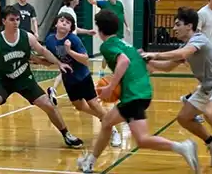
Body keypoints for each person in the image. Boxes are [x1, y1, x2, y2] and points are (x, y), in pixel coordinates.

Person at [77, 9, 199, 173]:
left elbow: (124, 61)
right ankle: (90, 162)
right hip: (143, 92)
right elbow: (154, 67)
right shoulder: (127, 45)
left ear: (99, 30)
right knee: (107, 123)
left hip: (133, 96)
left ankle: (183, 147)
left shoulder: (107, 46)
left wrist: (110, 88)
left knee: (141, 139)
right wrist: (177, 60)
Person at [0, 5, 83, 153]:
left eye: (18, 19)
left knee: (49, 105)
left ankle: (66, 134)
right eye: (12, 20)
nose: (16, 22)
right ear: (4, 21)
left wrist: (59, 62)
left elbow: (43, 51)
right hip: (4, 80)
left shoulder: (27, 37)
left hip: (25, 79)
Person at [142, 7, 212, 172]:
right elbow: (167, 67)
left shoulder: (199, 39)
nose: (174, 28)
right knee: (184, 118)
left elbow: (183, 52)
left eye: (177, 24)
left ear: (189, 26)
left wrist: (155, 54)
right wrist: (146, 62)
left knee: (210, 113)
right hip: (206, 87)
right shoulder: (187, 45)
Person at [44, 12, 121, 147]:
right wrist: (33, 59)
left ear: (71, 28)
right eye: (61, 20)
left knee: (93, 104)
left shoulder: (73, 40)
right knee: (79, 106)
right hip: (69, 80)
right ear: (56, 23)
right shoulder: (50, 40)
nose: (64, 23)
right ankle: (104, 118)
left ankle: (113, 129)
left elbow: (85, 59)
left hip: (82, 77)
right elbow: (51, 59)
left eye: (68, 23)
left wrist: (69, 51)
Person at [47, 0, 96, 106]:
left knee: (64, 69)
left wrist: (87, 32)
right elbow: (71, 31)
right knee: (70, 68)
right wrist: (72, 47)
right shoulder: (70, 12)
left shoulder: (64, 10)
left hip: (65, 43)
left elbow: (74, 28)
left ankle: (53, 88)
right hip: (69, 44)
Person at [84, 0, 130, 77]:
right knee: (109, 52)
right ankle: (102, 70)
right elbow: (92, 2)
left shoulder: (120, 4)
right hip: (110, 33)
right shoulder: (105, 4)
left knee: (119, 51)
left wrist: (127, 26)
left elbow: (123, 15)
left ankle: (119, 70)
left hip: (119, 32)